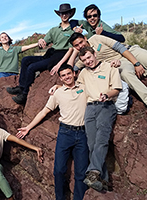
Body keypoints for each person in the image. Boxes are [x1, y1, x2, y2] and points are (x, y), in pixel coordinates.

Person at [17, 64, 88, 200]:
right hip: (65, 132)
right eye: (63, 75)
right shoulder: (58, 93)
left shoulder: (84, 87)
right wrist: (28, 127)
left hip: (83, 133)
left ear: (74, 74)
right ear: (60, 78)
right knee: (59, 170)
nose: (67, 77)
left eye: (69, 74)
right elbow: (44, 112)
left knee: (81, 172)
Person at [69, 32, 147, 108]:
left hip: (130, 52)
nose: (80, 46)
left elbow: (119, 47)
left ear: (85, 38)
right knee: (125, 74)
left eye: (81, 42)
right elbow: (70, 69)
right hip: (120, 62)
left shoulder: (96, 38)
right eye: (76, 45)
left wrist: (136, 63)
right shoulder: (85, 58)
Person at [6, 3, 76, 104]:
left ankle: (25, 95)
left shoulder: (73, 30)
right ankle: (21, 87)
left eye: (66, 13)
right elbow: (45, 41)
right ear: (59, 15)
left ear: (70, 14)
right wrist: (41, 41)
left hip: (60, 55)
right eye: (62, 13)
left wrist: (59, 65)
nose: (64, 15)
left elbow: (71, 49)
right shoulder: (54, 29)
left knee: (32, 67)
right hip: (50, 53)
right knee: (26, 60)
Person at [77, 46, 122, 191]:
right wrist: (58, 86)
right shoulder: (83, 73)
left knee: (101, 139)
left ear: (95, 54)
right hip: (90, 108)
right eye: (84, 60)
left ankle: (93, 173)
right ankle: (103, 181)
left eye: (89, 57)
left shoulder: (110, 67)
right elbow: (77, 88)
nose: (88, 61)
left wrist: (107, 95)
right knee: (91, 144)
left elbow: (116, 89)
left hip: (106, 106)